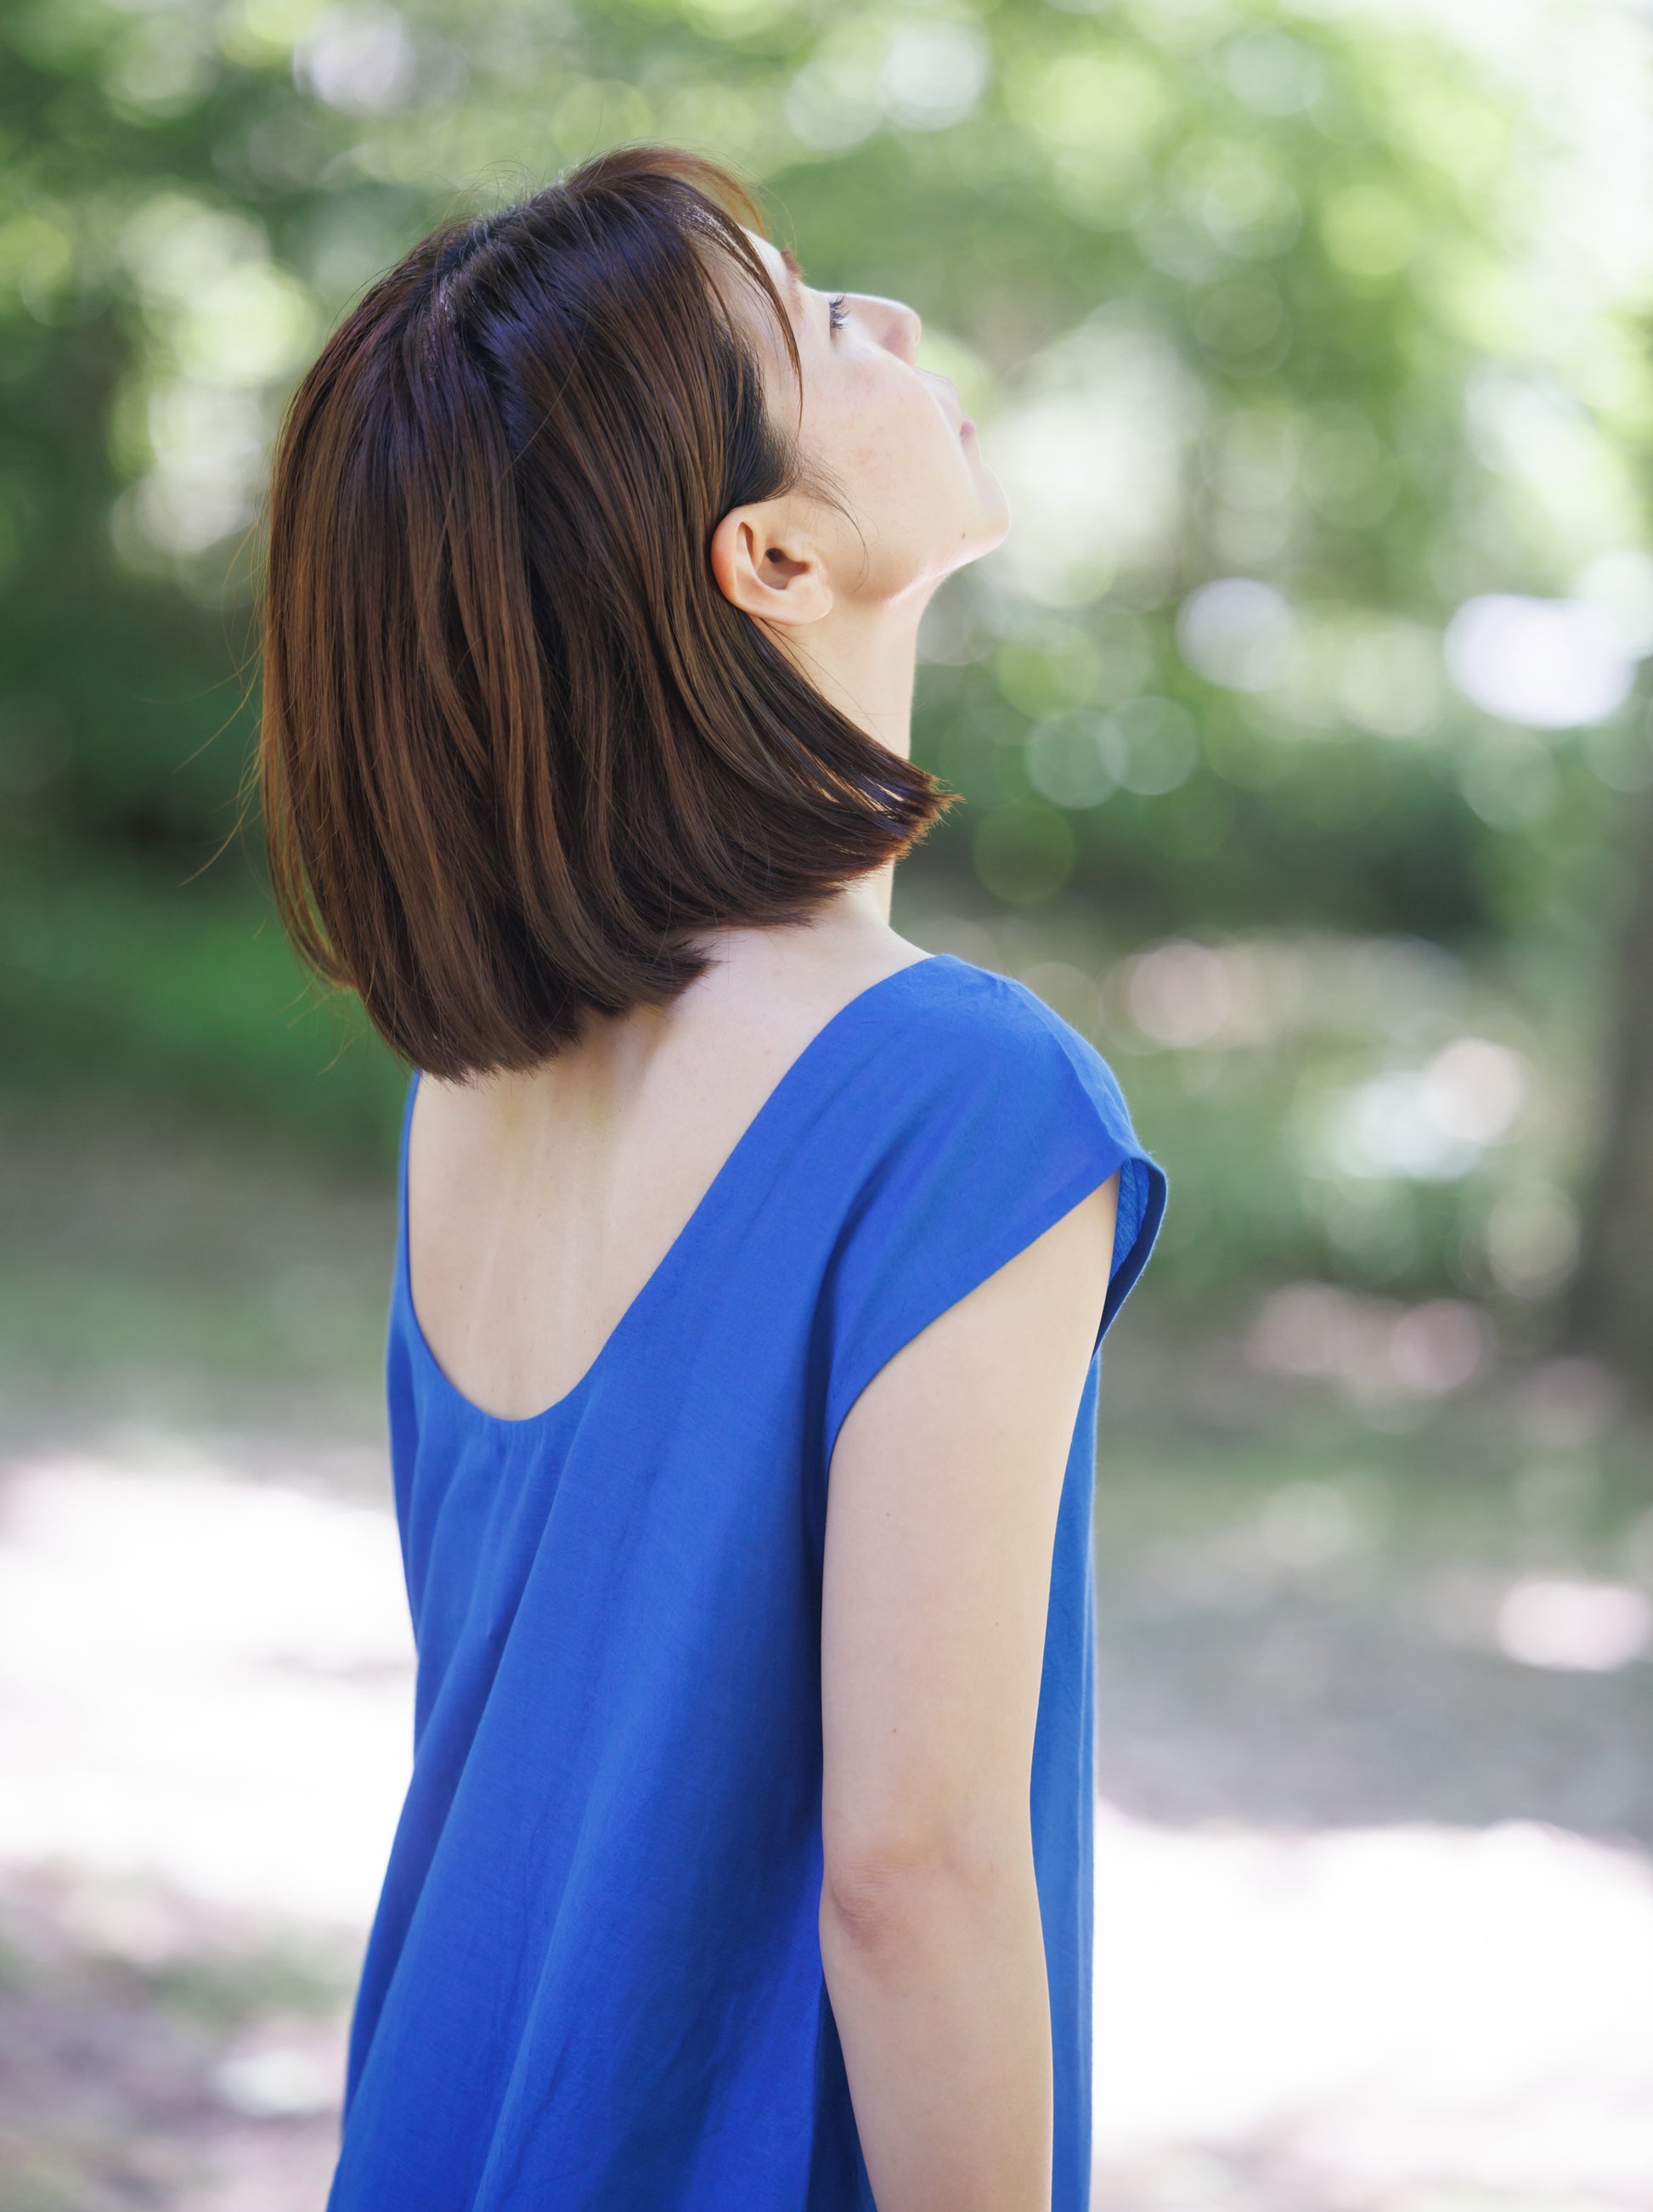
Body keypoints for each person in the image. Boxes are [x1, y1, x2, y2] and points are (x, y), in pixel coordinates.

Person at [260, 146, 1165, 2212]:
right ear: (766, 557)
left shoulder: (469, 1085)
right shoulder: (960, 1097)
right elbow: (913, 1874)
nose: (898, 325)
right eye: (816, 318)